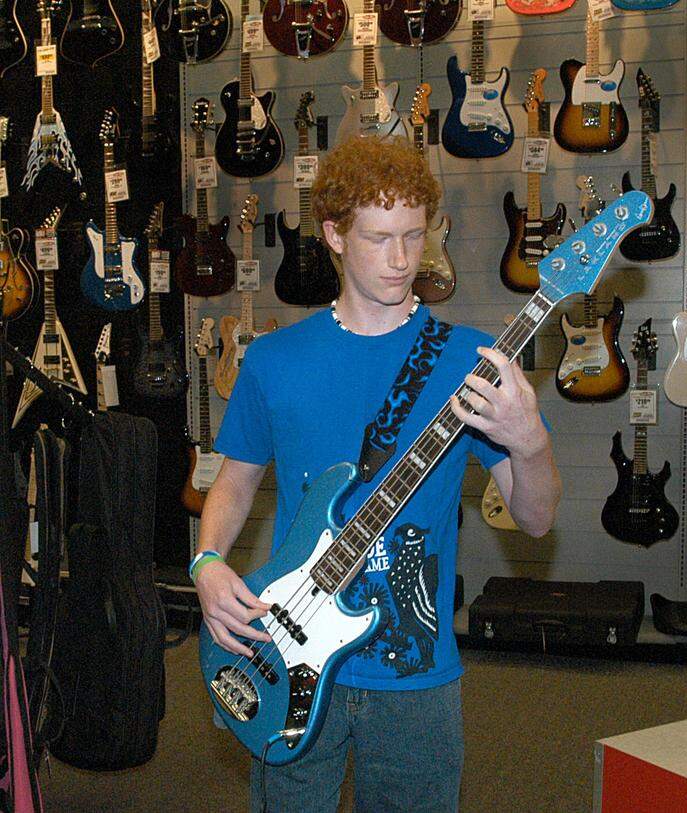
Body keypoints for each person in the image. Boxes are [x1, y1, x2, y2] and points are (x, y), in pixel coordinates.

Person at [191, 137, 561, 813]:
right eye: (379, 238)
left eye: (415, 236)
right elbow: (235, 482)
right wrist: (208, 562)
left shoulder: (468, 362)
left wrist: (529, 440)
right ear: (334, 234)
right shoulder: (274, 359)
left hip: (416, 674)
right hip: (285, 648)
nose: (401, 260)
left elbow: (537, 520)